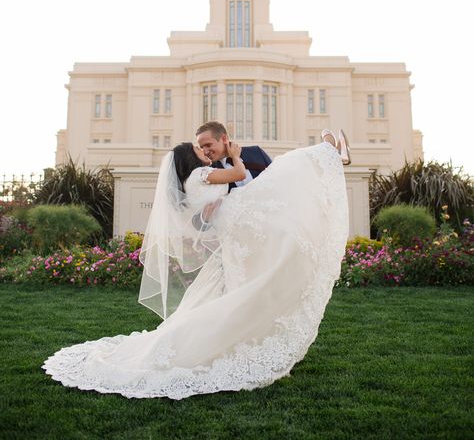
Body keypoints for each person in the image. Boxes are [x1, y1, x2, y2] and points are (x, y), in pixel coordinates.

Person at [43, 130, 350, 400]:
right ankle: (327, 151)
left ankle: (329, 157)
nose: (204, 151)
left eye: (207, 145)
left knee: (281, 191)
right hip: (238, 220)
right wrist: (235, 160)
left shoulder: (209, 171)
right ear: (190, 158)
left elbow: (259, 190)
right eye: (198, 148)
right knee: (282, 193)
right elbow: (235, 179)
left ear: (222, 139)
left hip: (242, 223)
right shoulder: (204, 173)